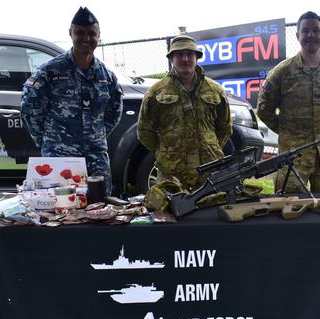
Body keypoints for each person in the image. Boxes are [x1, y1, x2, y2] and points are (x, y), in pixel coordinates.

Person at [21, 7, 123, 195]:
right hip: (59, 157)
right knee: (59, 212)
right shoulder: (50, 71)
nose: (86, 38)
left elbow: (114, 112)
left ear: (99, 36)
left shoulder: (106, 76)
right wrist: (48, 140)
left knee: (100, 210)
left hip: (96, 158)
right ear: (70, 34)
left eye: (92, 33)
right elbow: (30, 108)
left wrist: (96, 134)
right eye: (80, 33)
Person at [257, 11, 320, 194]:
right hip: (293, 159)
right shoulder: (282, 72)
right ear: (297, 35)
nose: (311, 35)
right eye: (305, 31)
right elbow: (264, 109)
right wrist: (287, 131)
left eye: (315, 30)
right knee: (291, 210)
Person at [137, 35, 232, 191]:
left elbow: (225, 128)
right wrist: (166, 151)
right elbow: (144, 131)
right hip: (172, 175)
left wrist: (209, 148)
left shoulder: (216, 90)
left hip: (209, 171)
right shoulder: (156, 92)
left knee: (211, 212)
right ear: (171, 58)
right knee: (169, 214)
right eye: (179, 54)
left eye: (189, 54)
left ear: (197, 57)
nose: (185, 59)